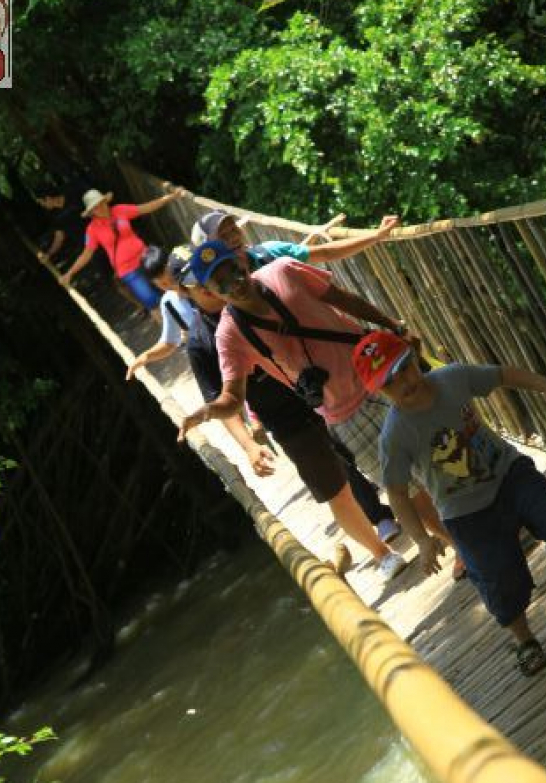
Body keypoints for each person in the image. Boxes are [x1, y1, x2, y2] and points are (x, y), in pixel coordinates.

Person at [352, 330, 546, 677]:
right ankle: (524, 640)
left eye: (405, 367)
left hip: (508, 473)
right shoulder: (394, 435)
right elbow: (396, 492)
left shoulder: (452, 378)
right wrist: (423, 540)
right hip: (464, 512)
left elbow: (502, 375)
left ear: (414, 356)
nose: (404, 382)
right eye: (390, 382)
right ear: (379, 393)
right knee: (498, 579)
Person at [177, 240, 460, 568]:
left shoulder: (283, 271)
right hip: (343, 413)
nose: (235, 283)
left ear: (242, 261)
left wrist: (392, 326)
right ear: (211, 291)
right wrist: (209, 411)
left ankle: (481, 521)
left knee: (443, 446)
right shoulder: (228, 335)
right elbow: (233, 396)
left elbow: (342, 299)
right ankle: (462, 546)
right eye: (221, 282)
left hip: (381, 378)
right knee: (407, 489)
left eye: (235, 272)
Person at [130, 246, 406, 581]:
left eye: (219, 274)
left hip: (329, 388)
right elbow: (226, 399)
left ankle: (387, 516)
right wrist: (248, 444)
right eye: (201, 282)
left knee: (360, 461)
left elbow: (325, 295)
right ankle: (381, 553)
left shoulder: (262, 284)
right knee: (333, 486)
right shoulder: (204, 342)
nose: (217, 285)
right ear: (190, 290)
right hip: (286, 418)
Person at [59, 187, 186, 314]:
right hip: (127, 269)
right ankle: (174, 330)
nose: (100, 207)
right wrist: (70, 273)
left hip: (146, 259)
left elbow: (146, 207)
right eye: (95, 207)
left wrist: (170, 197)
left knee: (172, 285)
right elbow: (87, 254)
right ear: (91, 212)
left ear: (105, 201)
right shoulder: (92, 229)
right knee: (152, 302)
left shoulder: (119, 210)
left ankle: (195, 316)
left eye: (100, 203)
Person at [191, 208, 401, 267]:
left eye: (233, 229)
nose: (233, 237)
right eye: (223, 236)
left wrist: (376, 235)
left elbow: (327, 253)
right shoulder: (216, 301)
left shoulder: (269, 252)